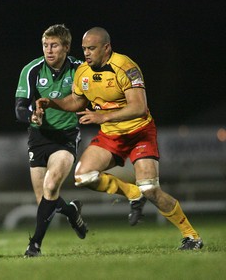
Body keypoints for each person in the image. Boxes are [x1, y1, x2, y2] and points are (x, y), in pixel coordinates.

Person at [36, 27, 203, 250]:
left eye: (92, 49)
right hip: (111, 135)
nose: (86, 53)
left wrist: (102, 116)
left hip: (139, 133)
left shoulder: (126, 67)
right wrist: (51, 102)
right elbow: (77, 101)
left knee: (150, 189)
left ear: (106, 48)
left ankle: (191, 236)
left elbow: (139, 107)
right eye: (84, 49)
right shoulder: (83, 72)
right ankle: (132, 193)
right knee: (83, 176)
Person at [15, 24, 89, 258]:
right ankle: (71, 212)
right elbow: (19, 107)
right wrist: (31, 115)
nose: (49, 50)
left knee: (51, 185)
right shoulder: (32, 69)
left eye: (54, 45)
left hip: (66, 136)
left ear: (66, 47)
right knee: (45, 200)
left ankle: (34, 245)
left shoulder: (80, 69)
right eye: (46, 45)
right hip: (39, 136)